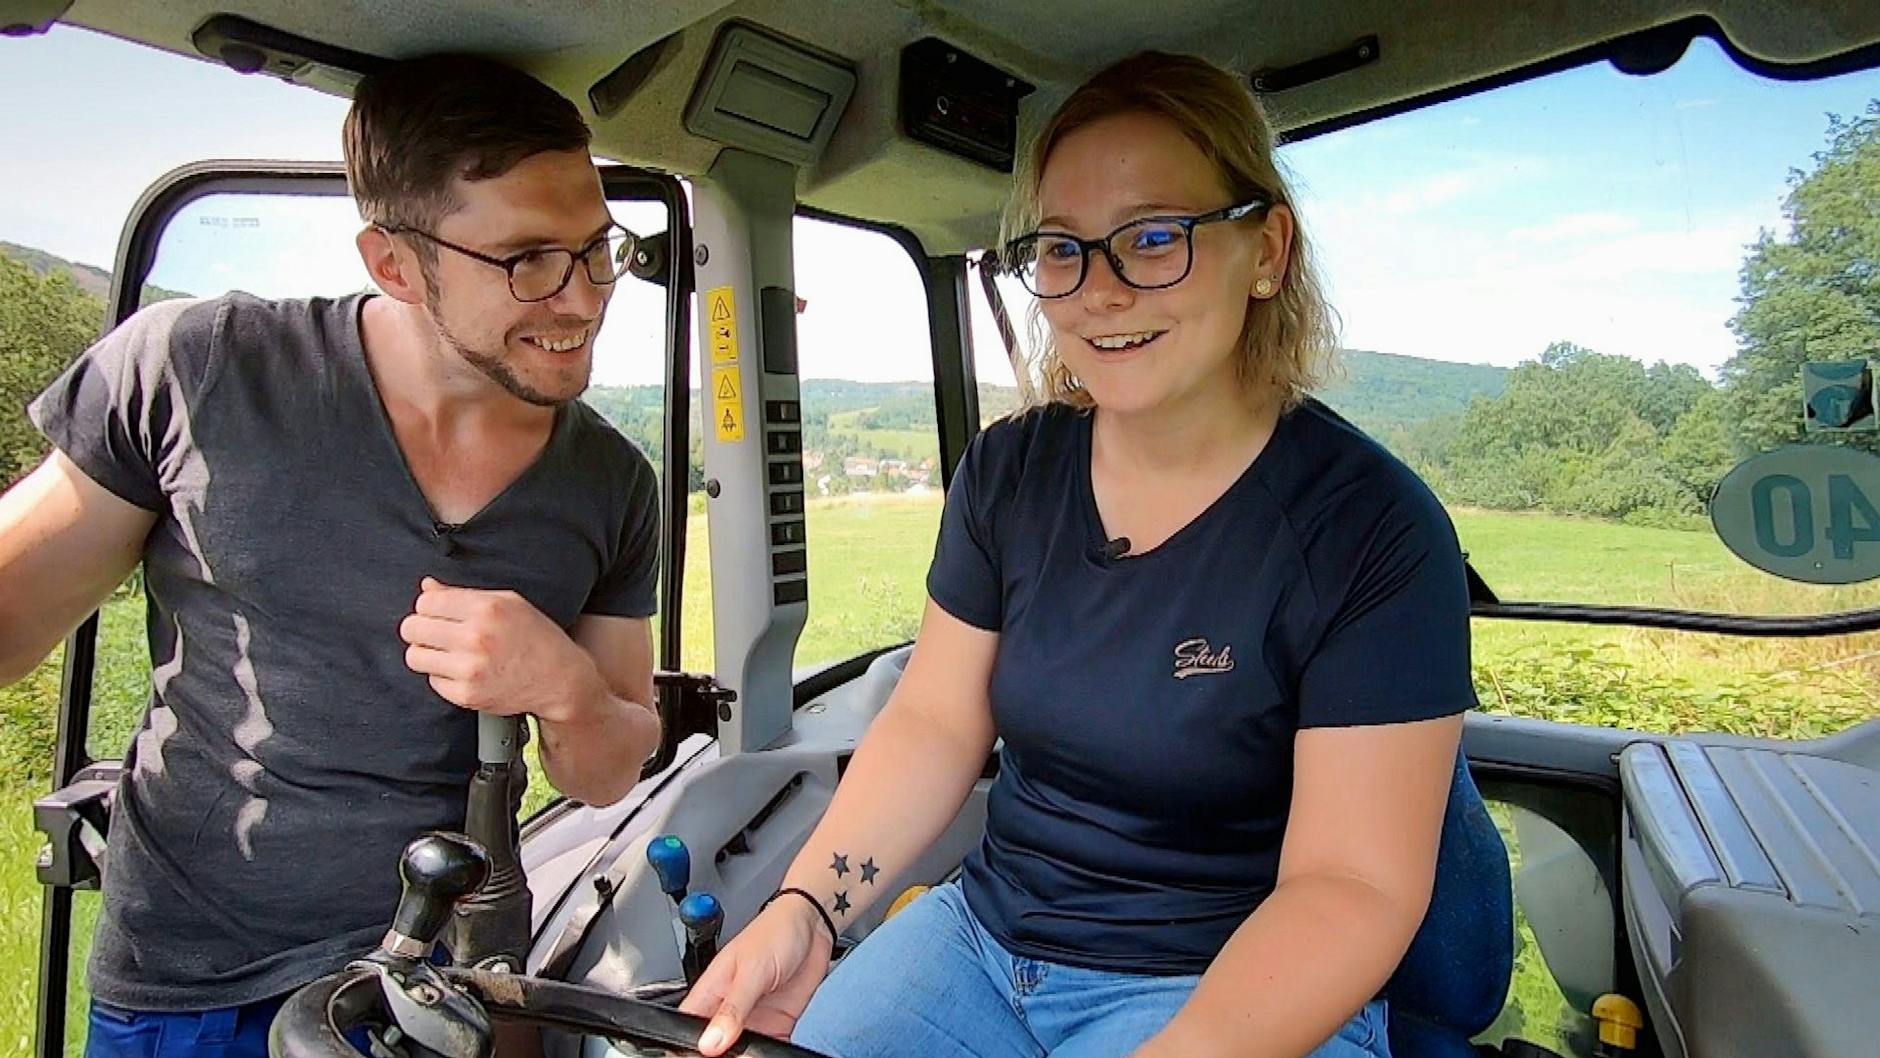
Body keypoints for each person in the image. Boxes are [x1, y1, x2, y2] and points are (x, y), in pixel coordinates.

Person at [681, 51, 1474, 1058]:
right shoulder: (1007, 473)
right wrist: (807, 907)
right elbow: (932, 721)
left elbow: (1351, 882)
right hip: (977, 943)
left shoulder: (1370, 529)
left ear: (1266, 250)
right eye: (1062, 249)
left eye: (1153, 237)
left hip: (1226, 987)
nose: (1098, 290)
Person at [0, 54, 663, 1058]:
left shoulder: (610, 482)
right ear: (393, 263)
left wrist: (564, 688)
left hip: (425, 991)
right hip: (183, 990)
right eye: (527, 259)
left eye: (595, 247)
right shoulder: (199, 372)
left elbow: (609, 768)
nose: (581, 299)